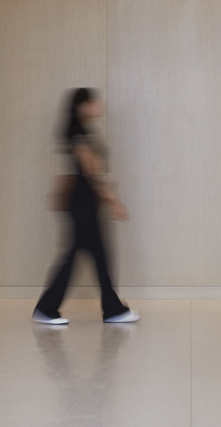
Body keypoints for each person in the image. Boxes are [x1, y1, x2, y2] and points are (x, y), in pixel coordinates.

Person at [33, 88, 140, 325]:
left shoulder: (82, 131)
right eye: (93, 102)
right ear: (82, 106)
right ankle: (49, 308)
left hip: (86, 204)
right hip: (82, 204)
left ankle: (108, 309)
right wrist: (113, 201)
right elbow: (91, 172)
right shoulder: (77, 132)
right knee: (83, 257)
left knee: (95, 257)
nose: (98, 106)